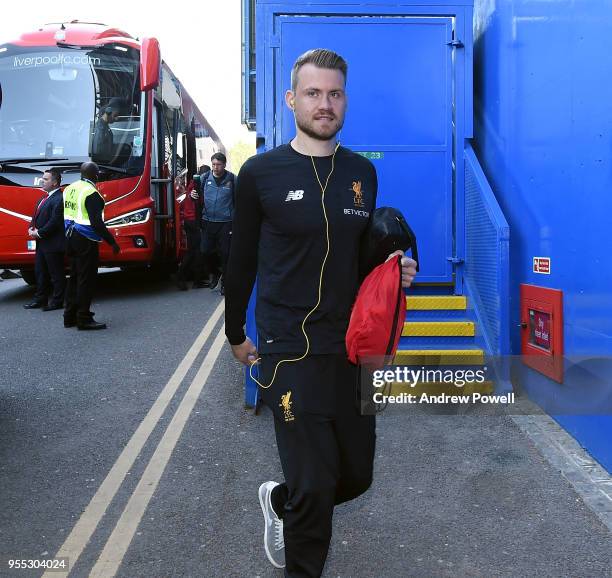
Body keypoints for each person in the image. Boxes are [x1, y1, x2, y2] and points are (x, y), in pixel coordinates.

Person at [224, 48, 418, 577]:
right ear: (291, 100)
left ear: (345, 101)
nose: (324, 103)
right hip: (289, 348)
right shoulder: (259, 174)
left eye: (334, 94)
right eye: (313, 93)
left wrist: (392, 272)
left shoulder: (361, 173)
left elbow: (360, 260)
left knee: (355, 476)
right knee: (315, 482)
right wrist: (235, 331)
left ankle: (283, 502)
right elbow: (240, 261)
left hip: (350, 346)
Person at [63, 162, 120, 330]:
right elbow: (97, 223)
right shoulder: (91, 193)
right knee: (85, 279)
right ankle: (84, 318)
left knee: (74, 277)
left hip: (70, 237)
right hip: (85, 239)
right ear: (95, 175)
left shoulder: (70, 188)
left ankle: (69, 316)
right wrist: (112, 242)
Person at [23, 168, 66, 310]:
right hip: (42, 244)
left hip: (53, 244)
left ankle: (57, 302)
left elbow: (55, 222)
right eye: (43, 178)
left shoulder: (59, 199)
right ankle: (40, 299)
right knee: (40, 272)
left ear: (55, 183)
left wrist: (39, 233)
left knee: (56, 274)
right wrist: (31, 228)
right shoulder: (44, 198)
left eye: (46, 179)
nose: (42, 180)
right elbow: (35, 216)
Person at [198, 153, 235, 294]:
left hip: (226, 223)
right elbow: (195, 194)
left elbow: (238, 200)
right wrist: (192, 195)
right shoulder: (204, 178)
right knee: (205, 251)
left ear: (224, 165)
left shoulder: (232, 179)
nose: (215, 167)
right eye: (213, 164)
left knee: (226, 254)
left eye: (218, 165)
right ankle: (215, 272)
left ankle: (225, 283)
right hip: (208, 221)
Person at [176, 167, 204, 290]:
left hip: (189, 221)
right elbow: (198, 201)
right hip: (194, 221)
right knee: (195, 251)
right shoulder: (196, 186)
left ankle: (188, 278)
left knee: (192, 251)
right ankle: (189, 279)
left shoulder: (191, 185)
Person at [92, 98, 123, 162]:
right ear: (108, 112)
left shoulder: (104, 126)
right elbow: (99, 153)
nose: (116, 119)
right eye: (115, 115)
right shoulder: (101, 129)